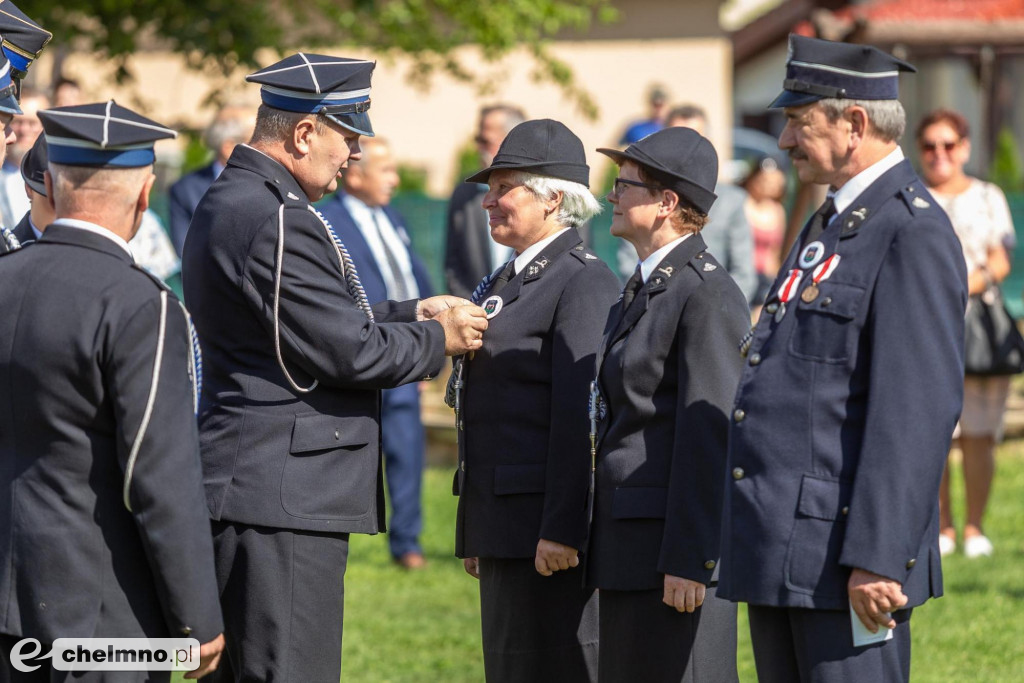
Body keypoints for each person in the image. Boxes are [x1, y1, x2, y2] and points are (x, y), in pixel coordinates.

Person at [181, 53, 488, 682]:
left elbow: (300, 320)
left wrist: (407, 310)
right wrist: (439, 339)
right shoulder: (278, 215)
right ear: (303, 132)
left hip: (257, 487)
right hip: (279, 497)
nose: (352, 155)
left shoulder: (243, 198)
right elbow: (350, 351)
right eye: (348, 138)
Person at [719, 35, 967, 683]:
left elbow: (916, 408)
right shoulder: (833, 218)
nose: (784, 141)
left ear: (855, 123)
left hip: (846, 556)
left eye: (799, 122)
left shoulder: (909, 230)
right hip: (786, 542)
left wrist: (880, 557)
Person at [0, 100, 224, 680]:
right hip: (97, 617)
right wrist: (197, 621)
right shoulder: (141, 305)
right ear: (146, 195)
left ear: (49, 183)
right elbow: (158, 479)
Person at [452, 119, 620, 682]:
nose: (489, 204)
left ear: (553, 199)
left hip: (544, 533)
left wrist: (564, 526)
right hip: (505, 525)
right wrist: (477, 526)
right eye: (489, 190)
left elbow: (582, 417)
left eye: (505, 190)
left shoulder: (582, 282)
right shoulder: (508, 280)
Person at [587, 127, 748, 683]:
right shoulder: (648, 285)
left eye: (623, 184)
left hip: (670, 556)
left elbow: (710, 433)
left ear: (666, 203)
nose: (611, 195)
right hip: (630, 544)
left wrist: (691, 557)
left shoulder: (705, 294)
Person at [318, 136, 434, 570]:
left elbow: (411, 274)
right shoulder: (326, 220)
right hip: (362, 350)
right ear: (356, 173)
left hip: (406, 350)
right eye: (385, 170)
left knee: (407, 449)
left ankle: (407, 542)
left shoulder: (393, 217)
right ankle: (331, 535)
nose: (395, 179)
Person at [916, 108, 1016, 559]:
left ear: (965, 148)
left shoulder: (988, 195)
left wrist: (962, 286)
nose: (940, 154)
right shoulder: (911, 195)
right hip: (923, 323)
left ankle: (975, 526)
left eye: (949, 145)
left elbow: (1000, 260)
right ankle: (944, 526)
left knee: (978, 432)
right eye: (931, 146)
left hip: (978, 324)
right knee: (935, 431)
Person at [617, 104, 758, 304]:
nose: (685, 148)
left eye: (695, 138)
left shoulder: (731, 200)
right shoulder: (642, 199)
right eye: (676, 140)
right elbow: (629, 263)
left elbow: (743, 272)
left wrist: (718, 310)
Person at [445, 104, 525, 299]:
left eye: (484, 140)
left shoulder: (545, 193)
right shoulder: (464, 195)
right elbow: (453, 266)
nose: (478, 148)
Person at [169, 104, 255, 255]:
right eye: (255, 139)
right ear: (229, 147)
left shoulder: (274, 183)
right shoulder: (186, 190)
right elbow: (185, 255)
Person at [741, 156, 788, 307]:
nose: (769, 187)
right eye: (765, 182)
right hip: (743, 272)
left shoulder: (777, 211)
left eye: (775, 184)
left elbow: (775, 250)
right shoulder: (742, 204)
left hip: (764, 278)